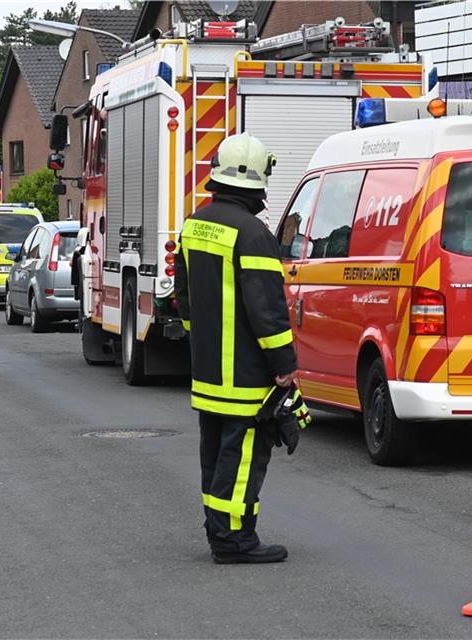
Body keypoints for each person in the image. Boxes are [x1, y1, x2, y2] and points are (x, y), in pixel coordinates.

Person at [174, 133, 298, 564]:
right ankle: (235, 541)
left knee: (216, 456)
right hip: (245, 375)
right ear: (260, 182)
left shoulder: (194, 225)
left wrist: (203, 339)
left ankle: (218, 530)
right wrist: (284, 366)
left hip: (207, 371)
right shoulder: (253, 234)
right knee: (243, 458)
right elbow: (268, 311)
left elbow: (183, 299)